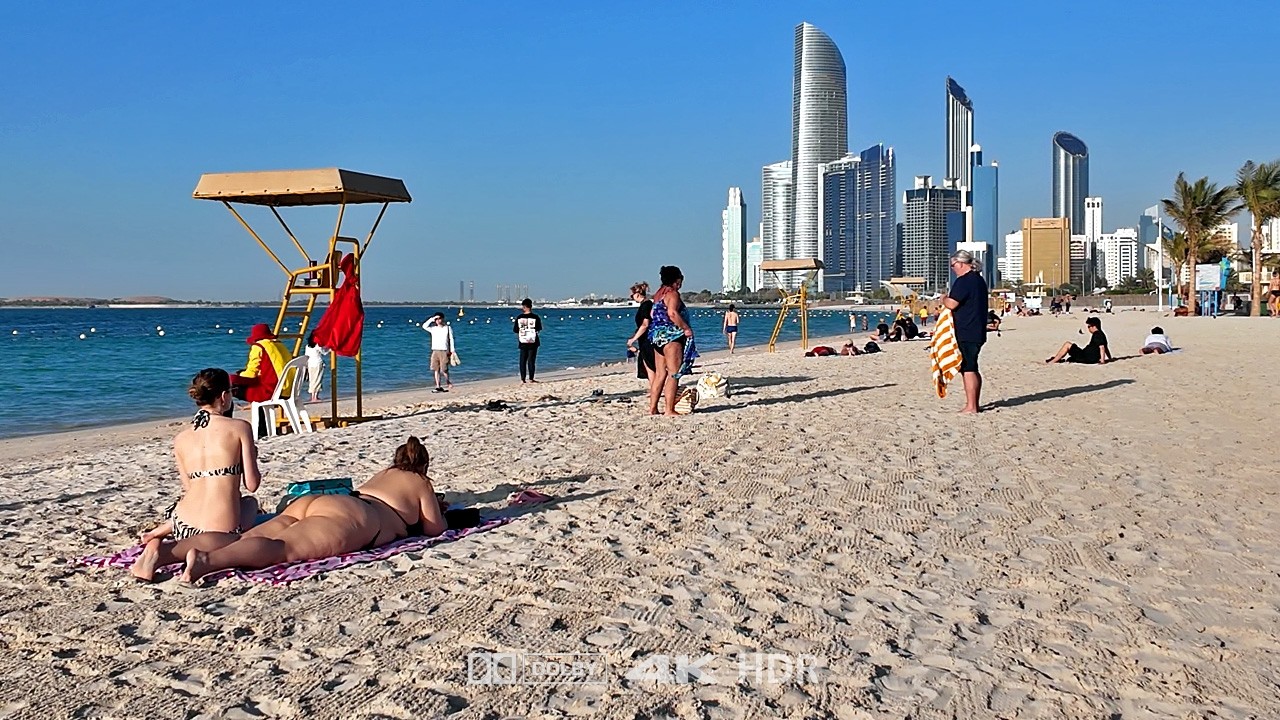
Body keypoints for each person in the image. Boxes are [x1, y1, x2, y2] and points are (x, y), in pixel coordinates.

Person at [179, 436, 447, 584]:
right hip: (357, 518)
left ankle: (164, 553)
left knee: (241, 539)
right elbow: (435, 529)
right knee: (279, 548)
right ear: (424, 466)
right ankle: (206, 562)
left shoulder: (384, 473)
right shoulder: (420, 481)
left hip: (324, 501)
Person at [129, 369, 262, 581]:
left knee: (200, 504)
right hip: (220, 525)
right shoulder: (240, 428)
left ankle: (160, 535)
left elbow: (189, 488)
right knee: (249, 505)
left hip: (182, 519)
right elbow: (252, 484)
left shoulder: (181, 438)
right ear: (225, 396)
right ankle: (162, 553)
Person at [942, 249, 989, 414]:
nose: (953, 269)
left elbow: (952, 304)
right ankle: (973, 403)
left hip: (966, 330)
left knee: (968, 368)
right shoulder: (979, 280)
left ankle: (972, 406)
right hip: (977, 329)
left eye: (953, 265)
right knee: (972, 367)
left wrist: (943, 299)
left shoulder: (964, 281)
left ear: (961, 263)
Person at [647, 265, 696, 416]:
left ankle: (653, 408)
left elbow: (652, 313)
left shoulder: (658, 295)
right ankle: (669, 409)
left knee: (660, 374)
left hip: (657, 337)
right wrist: (686, 328)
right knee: (674, 374)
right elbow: (672, 313)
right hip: (671, 337)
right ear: (677, 280)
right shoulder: (673, 294)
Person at [231, 323, 293, 403]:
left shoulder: (259, 347)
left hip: (272, 391)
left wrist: (239, 375)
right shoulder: (280, 345)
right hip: (289, 390)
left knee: (230, 386)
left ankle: (223, 414)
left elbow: (251, 374)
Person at [1046, 316, 1112, 364]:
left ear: (1094, 326)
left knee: (1067, 344)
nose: (1088, 328)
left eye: (1089, 326)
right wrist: (1110, 358)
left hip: (1087, 357)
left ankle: (1053, 361)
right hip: (1088, 356)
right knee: (1071, 356)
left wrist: (1102, 361)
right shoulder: (1101, 334)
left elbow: (1102, 348)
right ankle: (1056, 359)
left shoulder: (1097, 334)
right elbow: (1106, 347)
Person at [626, 282, 655, 381]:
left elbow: (645, 324)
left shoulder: (646, 305)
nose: (632, 297)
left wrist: (633, 339)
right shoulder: (646, 304)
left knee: (650, 368)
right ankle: (653, 390)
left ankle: (654, 391)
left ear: (637, 294)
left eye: (632, 295)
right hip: (645, 339)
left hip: (647, 339)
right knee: (648, 366)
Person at [421, 312, 455, 392]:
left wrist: (452, 350)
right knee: (436, 369)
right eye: (436, 319)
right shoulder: (433, 329)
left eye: (439, 319)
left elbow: (451, 339)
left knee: (444, 369)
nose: (438, 320)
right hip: (435, 350)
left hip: (444, 350)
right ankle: (438, 386)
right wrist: (432, 319)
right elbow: (424, 326)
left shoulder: (447, 328)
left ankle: (447, 382)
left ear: (442, 319)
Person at [513, 298, 542, 383]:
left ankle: (523, 379)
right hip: (533, 341)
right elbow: (539, 329)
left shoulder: (519, 317)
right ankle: (531, 378)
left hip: (523, 341)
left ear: (524, 307)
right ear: (531, 306)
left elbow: (515, 330)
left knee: (522, 360)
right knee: (531, 360)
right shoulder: (536, 317)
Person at [304, 333, 329, 403]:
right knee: (317, 380)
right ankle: (315, 397)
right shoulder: (317, 345)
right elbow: (324, 352)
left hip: (310, 364)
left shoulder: (307, 346)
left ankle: (312, 396)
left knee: (312, 380)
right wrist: (329, 348)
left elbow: (306, 355)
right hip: (317, 363)